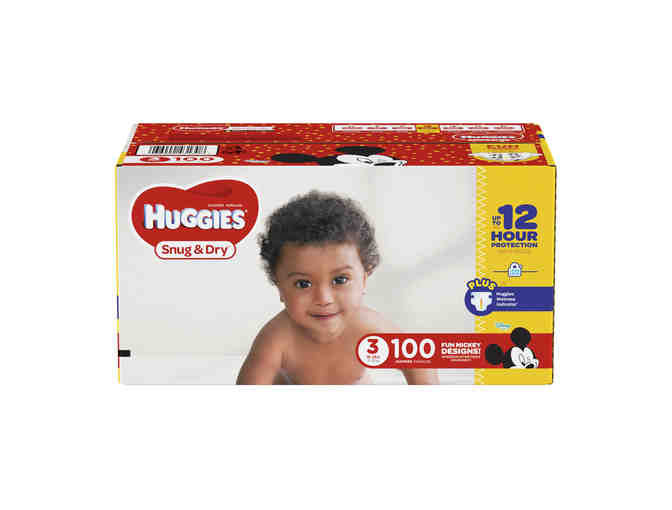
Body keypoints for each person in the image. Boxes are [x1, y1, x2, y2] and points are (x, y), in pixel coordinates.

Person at [236, 190, 439, 385]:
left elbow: (420, 363)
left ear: (364, 280)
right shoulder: (276, 338)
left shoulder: (368, 326)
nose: (324, 299)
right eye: (303, 284)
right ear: (279, 287)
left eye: (340, 280)